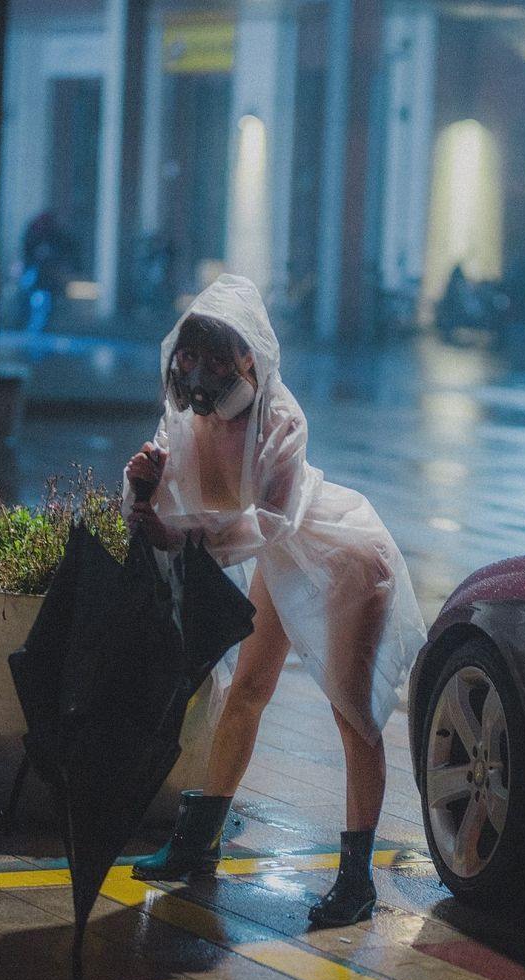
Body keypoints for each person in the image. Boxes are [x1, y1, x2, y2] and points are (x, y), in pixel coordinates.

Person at [120, 274, 426, 927]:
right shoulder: (189, 418)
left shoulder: (279, 418)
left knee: (353, 716)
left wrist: (184, 532)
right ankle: (197, 843)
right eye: (190, 360)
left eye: (216, 363)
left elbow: (267, 523)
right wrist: (141, 487)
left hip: (340, 557)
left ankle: (356, 881)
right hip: (282, 560)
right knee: (247, 693)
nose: (200, 378)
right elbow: (171, 506)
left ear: (248, 359)